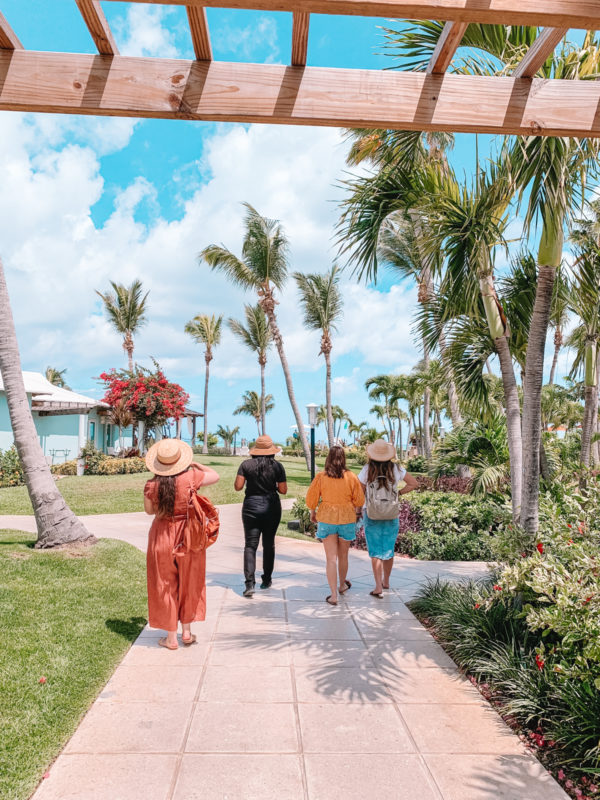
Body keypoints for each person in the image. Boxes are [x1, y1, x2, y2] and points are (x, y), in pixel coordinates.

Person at [143, 438, 220, 649]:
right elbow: (216, 476)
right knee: (190, 581)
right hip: (189, 536)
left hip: (161, 536)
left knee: (165, 584)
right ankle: (186, 633)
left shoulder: (151, 484)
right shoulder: (191, 477)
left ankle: (170, 638)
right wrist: (197, 466)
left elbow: (150, 511)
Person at [358, 439, 418, 598]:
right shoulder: (396, 469)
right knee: (388, 550)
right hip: (391, 513)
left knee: (375, 551)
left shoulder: (367, 469)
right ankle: (386, 582)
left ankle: (378, 586)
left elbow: (360, 491)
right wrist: (398, 494)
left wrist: (360, 507)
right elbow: (413, 483)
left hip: (371, 513)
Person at [306, 445, 365, 606]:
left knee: (331, 559)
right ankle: (341, 585)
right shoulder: (351, 476)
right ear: (343, 459)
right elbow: (359, 500)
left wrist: (313, 513)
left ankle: (333, 595)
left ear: (328, 459)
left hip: (327, 517)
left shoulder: (321, 476)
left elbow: (312, 497)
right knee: (344, 556)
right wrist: (356, 511)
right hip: (346, 518)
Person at [234, 435, 287, 597]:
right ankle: (267, 579)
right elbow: (283, 490)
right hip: (271, 506)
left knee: (250, 545)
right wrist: (272, 486)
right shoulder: (277, 467)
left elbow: (238, 486)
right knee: (269, 544)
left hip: (251, 506)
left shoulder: (246, 465)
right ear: (272, 451)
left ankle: (249, 584)